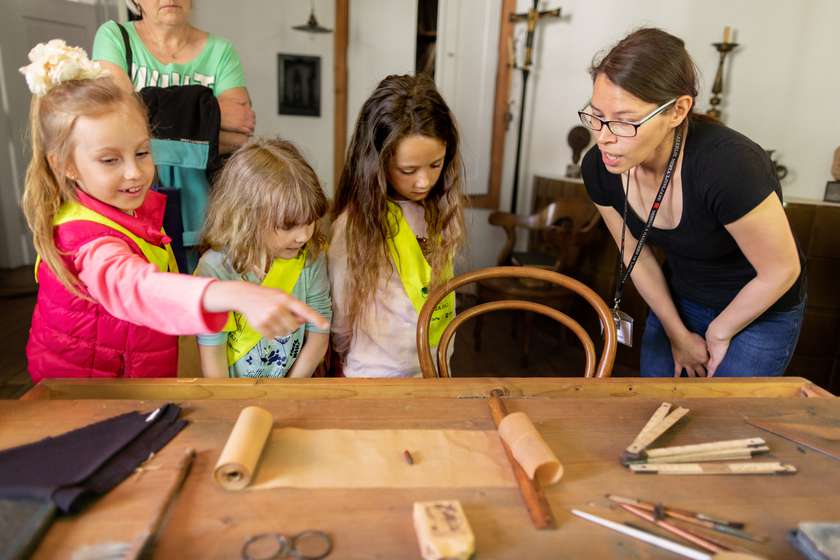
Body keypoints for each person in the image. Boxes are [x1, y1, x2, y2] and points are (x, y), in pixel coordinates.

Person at [19, 40, 327, 382]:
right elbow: (138, 287)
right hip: (87, 396)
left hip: (133, 382)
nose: (134, 173)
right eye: (110, 160)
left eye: (142, 152)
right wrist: (237, 293)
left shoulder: (134, 211)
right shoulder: (86, 241)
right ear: (65, 166)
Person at [579, 28, 806, 378]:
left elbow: (780, 271)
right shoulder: (599, 167)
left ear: (678, 111)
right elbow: (635, 258)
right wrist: (677, 332)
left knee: (722, 421)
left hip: (759, 308)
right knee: (656, 406)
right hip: (680, 298)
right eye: (596, 116)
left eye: (625, 121)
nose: (605, 137)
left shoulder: (729, 165)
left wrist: (719, 332)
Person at [329, 74, 466, 378]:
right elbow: (341, 315)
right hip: (373, 375)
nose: (424, 181)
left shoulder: (441, 210)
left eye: (436, 164)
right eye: (408, 170)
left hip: (435, 368)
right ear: (377, 162)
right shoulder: (353, 226)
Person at [195, 138, 331, 378]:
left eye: (310, 221)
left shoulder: (311, 257)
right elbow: (212, 355)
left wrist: (289, 391)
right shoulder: (215, 268)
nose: (304, 236)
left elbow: (319, 335)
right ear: (247, 217)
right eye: (288, 226)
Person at [92, 0, 254, 154]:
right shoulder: (114, 36)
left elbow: (238, 134)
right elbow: (117, 115)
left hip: (203, 183)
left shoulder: (221, 50)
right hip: (135, 180)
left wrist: (146, 116)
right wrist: (208, 118)